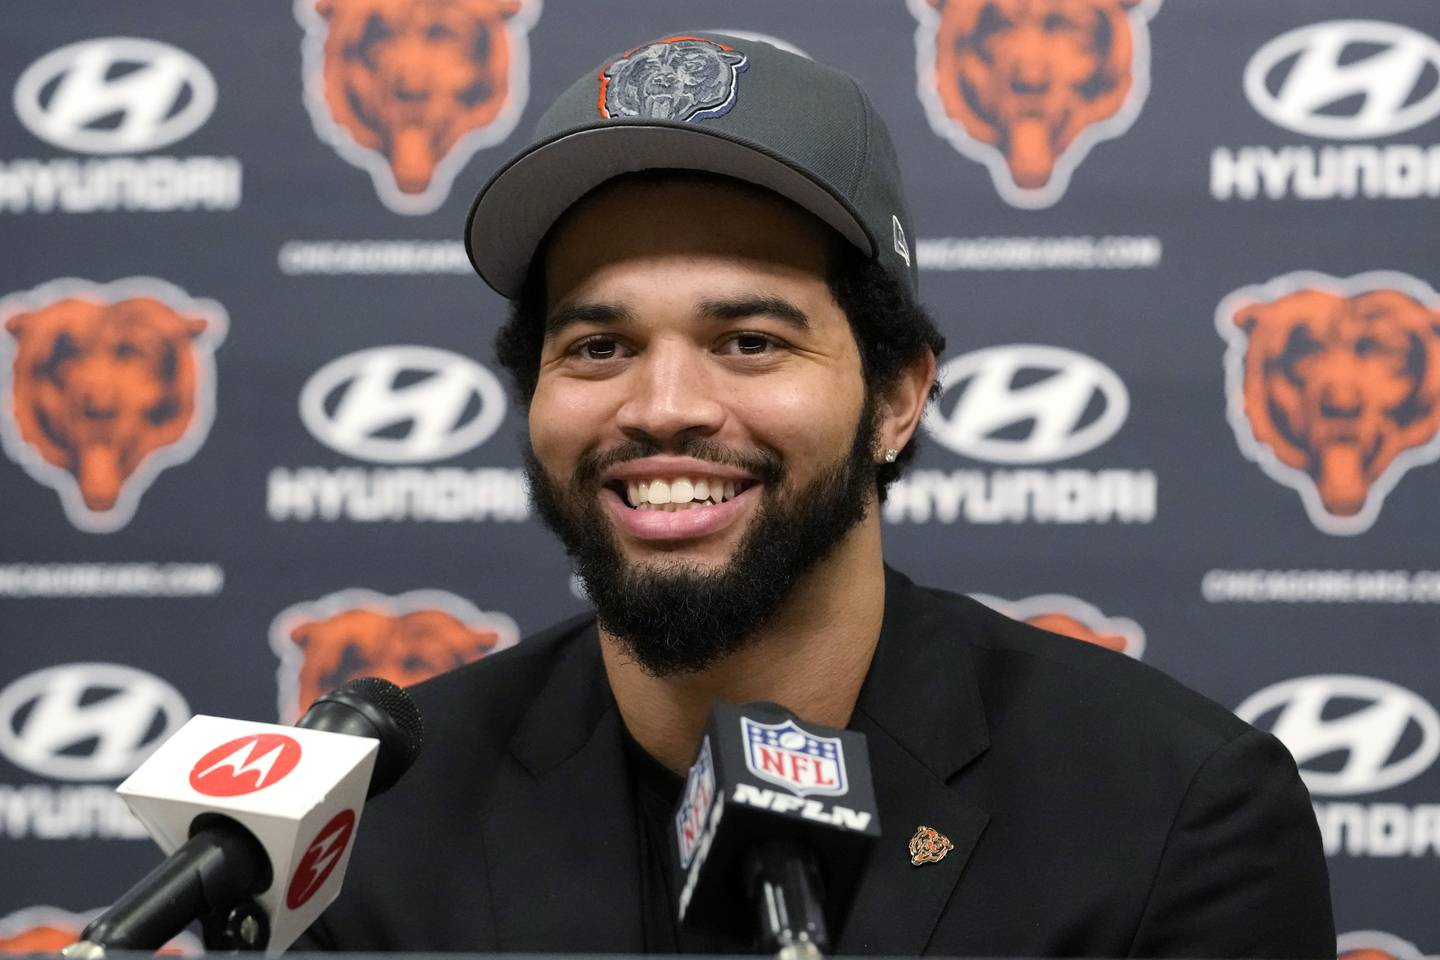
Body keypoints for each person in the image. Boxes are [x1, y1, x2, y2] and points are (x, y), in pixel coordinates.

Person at [299, 33, 1334, 956]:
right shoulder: (382, 816)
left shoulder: (1169, 812)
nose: (662, 407)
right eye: (599, 346)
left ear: (896, 398)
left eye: (749, 342)